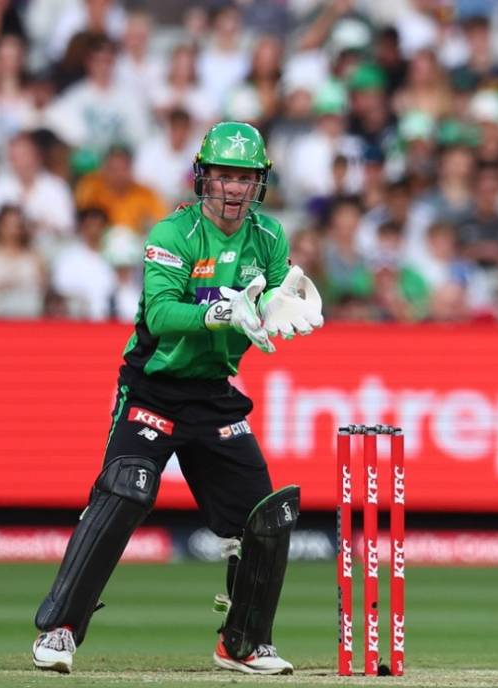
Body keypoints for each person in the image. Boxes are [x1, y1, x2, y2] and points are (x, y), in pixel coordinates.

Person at [31, 122, 324, 675]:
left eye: (246, 178)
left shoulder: (269, 237)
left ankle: (242, 643)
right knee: (125, 491)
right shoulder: (174, 234)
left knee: (265, 517)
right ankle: (61, 629)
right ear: (204, 177)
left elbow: (274, 304)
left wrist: (282, 310)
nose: (235, 188)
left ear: (259, 183)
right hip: (154, 387)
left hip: (214, 393)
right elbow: (162, 315)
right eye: (225, 176)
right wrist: (220, 313)